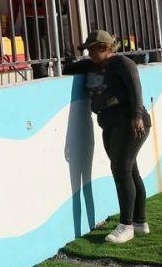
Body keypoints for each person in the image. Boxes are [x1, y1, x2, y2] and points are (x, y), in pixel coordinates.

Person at [63, 30, 151, 244]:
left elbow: (135, 90)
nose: (90, 53)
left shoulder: (122, 64)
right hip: (109, 123)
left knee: (121, 170)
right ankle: (140, 222)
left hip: (129, 121)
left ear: (105, 47)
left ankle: (126, 225)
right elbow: (69, 69)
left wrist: (137, 116)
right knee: (130, 170)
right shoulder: (90, 65)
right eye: (89, 50)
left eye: (94, 49)